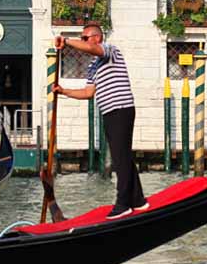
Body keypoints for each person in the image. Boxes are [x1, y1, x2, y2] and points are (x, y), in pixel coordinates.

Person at [53, 24, 148, 219]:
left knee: (119, 158)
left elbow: (91, 49)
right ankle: (138, 201)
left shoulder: (111, 51)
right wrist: (64, 91)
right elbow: (88, 92)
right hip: (109, 112)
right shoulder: (92, 66)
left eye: (85, 38)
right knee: (123, 155)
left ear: (96, 38)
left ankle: (123, 204)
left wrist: (67, 41)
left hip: (121, 108)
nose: (84, 41)